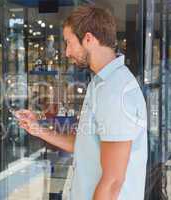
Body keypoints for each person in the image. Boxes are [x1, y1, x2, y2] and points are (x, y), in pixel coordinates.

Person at [15, 5, 147, 200]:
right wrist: (37, 129)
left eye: (69, 43)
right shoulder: (101, 84)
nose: (67, 52)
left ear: (88, 39)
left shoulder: (115, 91)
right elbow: (85, 143)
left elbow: (112, 183)